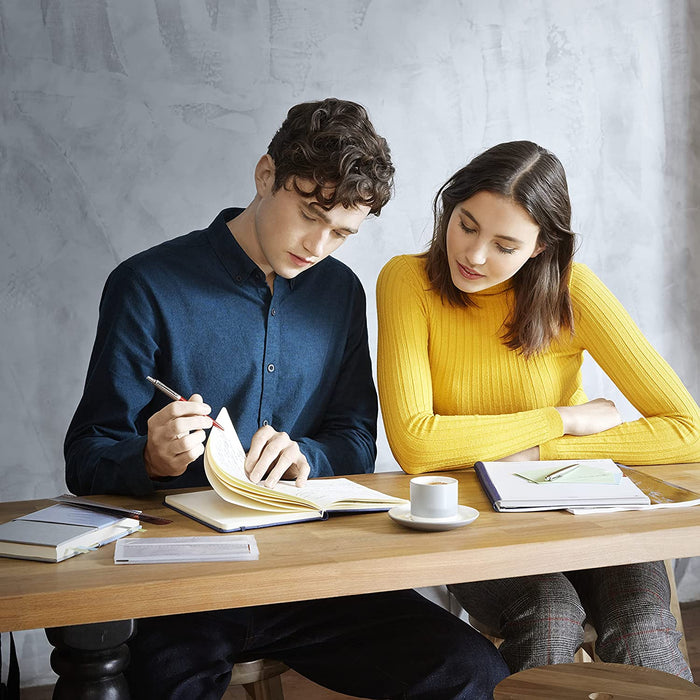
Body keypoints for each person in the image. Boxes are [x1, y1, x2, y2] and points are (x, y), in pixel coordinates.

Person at [65, 98, 508, 700]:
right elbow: (86, 455)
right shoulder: (146, 285)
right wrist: (148, 458)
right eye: (308, 215)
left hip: (310, 571)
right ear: (265, 175)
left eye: (343, 233)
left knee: (472, 672)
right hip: (184, 583)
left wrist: (307, 457)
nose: (319, 245)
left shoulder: (341, 293)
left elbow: (355, 439)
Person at [376, 140, 700, 680]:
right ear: (449, 208)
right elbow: (416, 444)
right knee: (549, 613)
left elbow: (688, 430)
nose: (474, 255)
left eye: (504, 244)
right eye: (466, 224)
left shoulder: (573, 290)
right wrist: (562, 420)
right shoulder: (408, 281)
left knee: (642, 620)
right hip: (478, 528)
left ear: (541, 246)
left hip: (590, 517)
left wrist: (540, 451)